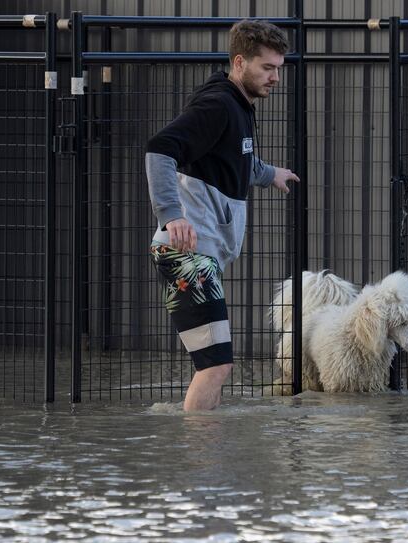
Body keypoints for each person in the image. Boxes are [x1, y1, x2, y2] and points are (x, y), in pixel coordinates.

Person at [145, 20, 299, 411]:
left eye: (279, 68)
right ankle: (202, 466)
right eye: (267, 68)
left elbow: (236, 158)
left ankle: (204, 457)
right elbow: (160, 150)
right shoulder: (217, 105)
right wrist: (171, 215)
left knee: (215, 365)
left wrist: (271, 174)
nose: (276, 77)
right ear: (239, 62)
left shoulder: (238, 105)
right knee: (215, 367)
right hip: (185, 254)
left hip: (200, 255)